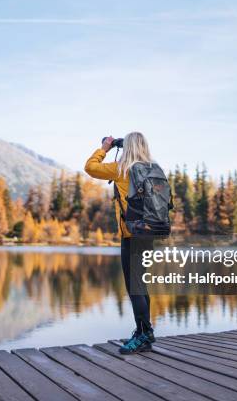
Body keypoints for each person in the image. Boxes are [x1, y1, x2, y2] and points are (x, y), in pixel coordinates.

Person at [84, 132, 156, 354]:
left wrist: (105, 147)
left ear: (128, 147)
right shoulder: (153, 169)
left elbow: (90, 167)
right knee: (140, 284)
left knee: (135, 286)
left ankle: (144, 334)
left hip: (131, 234)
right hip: (149, 233)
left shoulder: (122, 168)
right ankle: (145, 332)